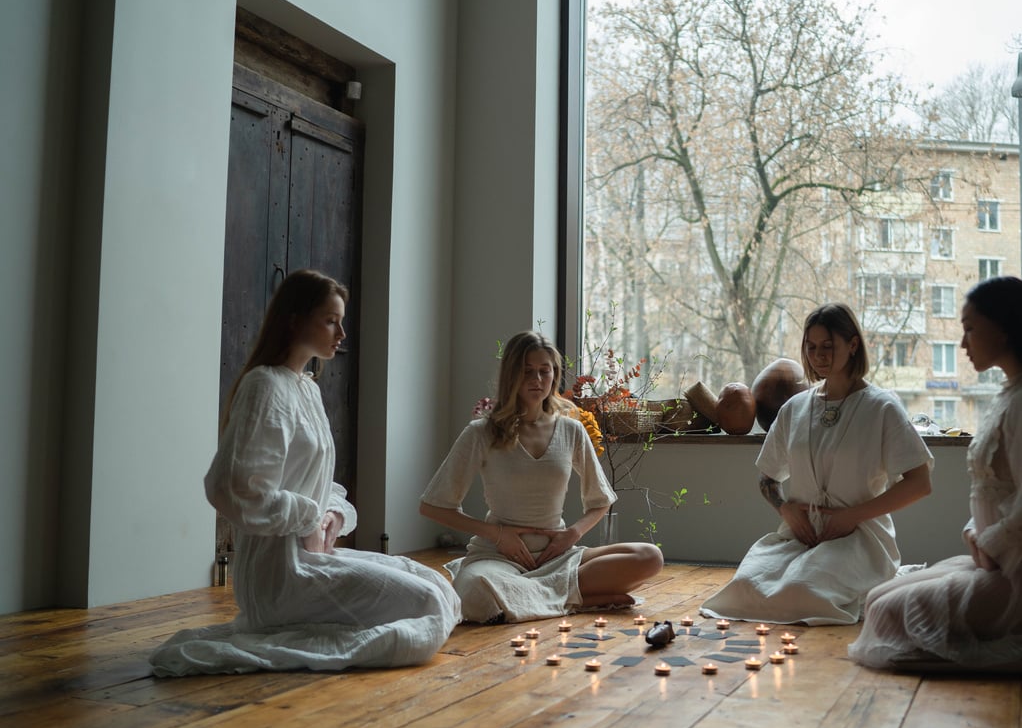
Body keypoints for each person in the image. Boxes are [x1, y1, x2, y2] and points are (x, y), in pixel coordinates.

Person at [151, 270, 461, 676]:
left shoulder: (307, 388)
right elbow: (231, 486)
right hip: (280, 575)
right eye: (331, 320)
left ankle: (318, 626)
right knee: (428, 606)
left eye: (341, 321)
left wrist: (332, 514)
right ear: (294, 319)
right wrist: (307, 517)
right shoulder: (264, 386)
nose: (342, 333)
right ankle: (286, 630)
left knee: (438, 586)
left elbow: (316, 481)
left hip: (314, 554)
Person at [848, 277, 1022, 670]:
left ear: (1003, 327)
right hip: (1002, 563)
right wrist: (977, 532)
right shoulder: (1013, 394)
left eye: (969, 328)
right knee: (875, 601)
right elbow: (1001, 488)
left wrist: (990, 543)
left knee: (888, 613)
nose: (963, 343)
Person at [699, 303, 933, 625]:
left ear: (852, 345)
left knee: (802, 590)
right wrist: (785, 510)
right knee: (746, 584)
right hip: (801, 535)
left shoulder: (882, 407)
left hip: (859, 539)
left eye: (828, 346)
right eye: (811, 347)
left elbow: (920, 483)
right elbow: (767, 478)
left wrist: (852, 515)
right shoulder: (795, 408)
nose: (819, 355)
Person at [419, 330, 664, 623]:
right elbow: (432, 506)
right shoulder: (482, 432)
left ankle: (538, 598)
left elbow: (600, 501)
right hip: (498, 559)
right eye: (527, 372)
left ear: (554, 374)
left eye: (544, 371)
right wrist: (499, 535)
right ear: (512, 376)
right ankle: (579, 600)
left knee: (650, 557)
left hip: (558, 558)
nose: (537, 380)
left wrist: (572, 534)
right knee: (474, 593)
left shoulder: (571, 430)